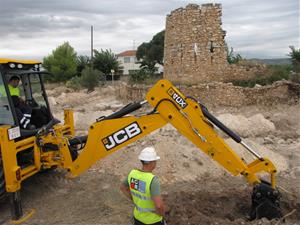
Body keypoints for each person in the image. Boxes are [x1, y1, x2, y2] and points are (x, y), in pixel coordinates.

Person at [120, 147, 166, 225]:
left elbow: (123, 188)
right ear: (152, 162)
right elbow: (158, 206)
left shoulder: (132, 174)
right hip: (153, 221)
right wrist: (162, 215)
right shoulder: (153, 180)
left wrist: (134, 200)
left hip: (138, 218)